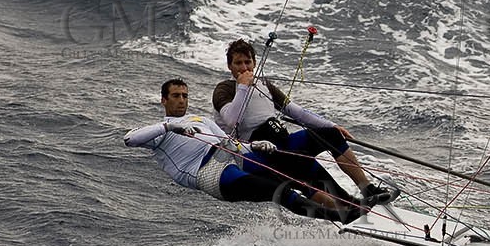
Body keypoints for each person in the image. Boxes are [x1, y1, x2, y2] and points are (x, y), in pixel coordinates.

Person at [124, 78, 362, 222]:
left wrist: (255, 145)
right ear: (163, 100)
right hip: (210, 174)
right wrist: (168, 126)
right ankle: (340, 217)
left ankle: (348, 205)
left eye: (185, 95)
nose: (181, 100)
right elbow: (130, 139)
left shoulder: (200, 119)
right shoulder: (158, 132)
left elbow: (230, 143)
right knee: (280, 190)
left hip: (231, 158)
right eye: (175, 96)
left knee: (288, 168)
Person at [212, 39, 399, 208]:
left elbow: (296, 111)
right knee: (306, 166)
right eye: (238, 63)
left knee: (331, 135)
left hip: (283, 140)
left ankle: (367, 190)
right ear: (230, 66)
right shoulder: (225, 89)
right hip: (262, 152)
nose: (244, 68)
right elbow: (231, 119)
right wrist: (243, 86)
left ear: (254, 63)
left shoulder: (264, 85)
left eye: (248, 62)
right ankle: (349, 206)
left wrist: (331, 125)